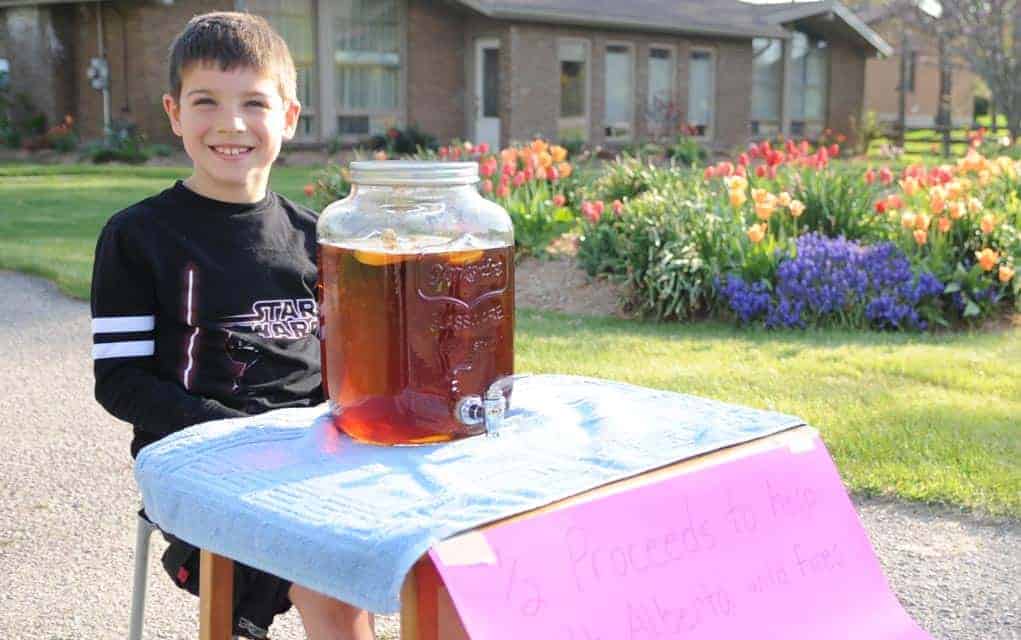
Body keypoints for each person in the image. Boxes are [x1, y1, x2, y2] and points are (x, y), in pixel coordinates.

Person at [90, 12, 374, 640]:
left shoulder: (316, 237)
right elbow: (119, 383)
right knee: (315, 565)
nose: (231, 123)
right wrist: (237, 434)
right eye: (206, 102)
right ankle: (242, 609)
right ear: (174, 112)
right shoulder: (137, 237)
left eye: (254, 102)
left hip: (307, 454)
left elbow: (342, 371)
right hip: (196, 454)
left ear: (289, 117)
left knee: (388, 560)